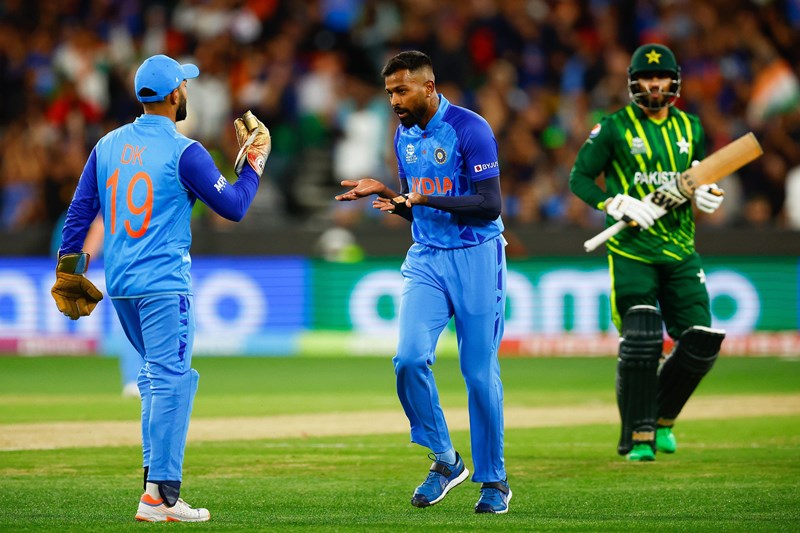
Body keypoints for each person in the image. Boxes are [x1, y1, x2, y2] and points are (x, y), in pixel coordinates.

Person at [50, 54, 271, 521]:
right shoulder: (185, 151)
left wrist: (69, 270)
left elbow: (80, 210)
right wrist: (253, 163)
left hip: (122, 285)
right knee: (173, 380)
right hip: (164, 285)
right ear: (174, 95)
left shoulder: (107, 144)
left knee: (154, 379)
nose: (186, 90)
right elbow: (233, 207)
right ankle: (161, 496)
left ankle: (155, 486)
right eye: (184, 85)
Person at [336, 51, 511, 513]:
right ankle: (446, 459)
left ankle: (494, 481)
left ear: (428, 87)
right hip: (427, 258)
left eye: (402, 90)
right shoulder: (403, 135)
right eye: (390, 92)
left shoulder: (471, 129)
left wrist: (423, 198)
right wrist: (389, 195)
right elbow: (416, 207)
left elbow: (489, 204)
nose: (394, 100)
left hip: (477, 256)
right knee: (409, 360)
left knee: (478, 374)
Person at [569, 43, 727, 462]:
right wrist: (611, 202)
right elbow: (579, 177)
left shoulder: (691, 126)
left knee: (701, 341)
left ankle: (662, 419)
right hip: (632, 250)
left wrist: (708, 192)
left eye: (661, 77)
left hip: (681, 249)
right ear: (633, 83)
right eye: (645, 77)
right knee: (641, 338)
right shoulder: (614, 128)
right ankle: (639, 437)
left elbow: (699, 174)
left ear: (674, 81)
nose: (654, 84)